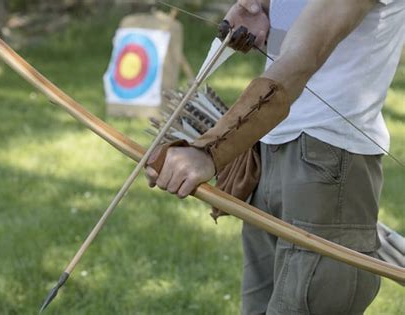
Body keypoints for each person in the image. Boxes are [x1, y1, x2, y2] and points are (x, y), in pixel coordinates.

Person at [145, 0, 404, 314]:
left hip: (327, 163)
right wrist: (264, 9)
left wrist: (211, 149)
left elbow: (305, 54)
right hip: (270, 148)